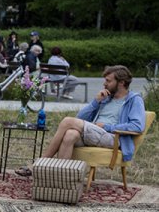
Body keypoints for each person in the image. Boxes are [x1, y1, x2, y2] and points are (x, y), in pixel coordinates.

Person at [15, 65, 145, 176]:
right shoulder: (106, 97)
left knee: (67, 122)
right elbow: (80, 118)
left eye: (108, 81)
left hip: (113, 137)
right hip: (95, 132)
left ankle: (38, 165)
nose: (104, 84)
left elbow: (137, 126)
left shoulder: (134, 100)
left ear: (121, 83)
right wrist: (96, 102)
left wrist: (106, 127)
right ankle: (59, 178)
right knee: (70, 134)